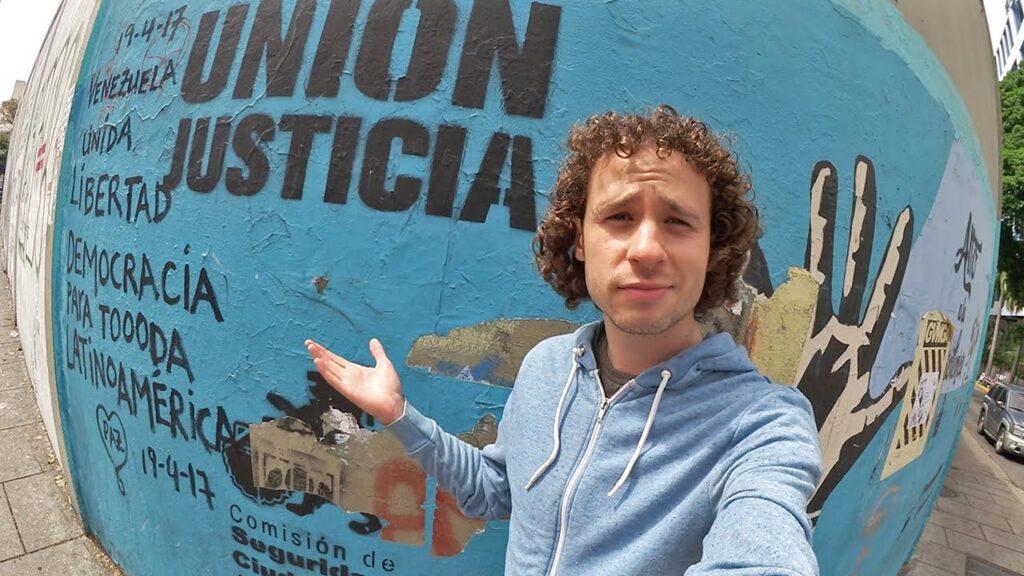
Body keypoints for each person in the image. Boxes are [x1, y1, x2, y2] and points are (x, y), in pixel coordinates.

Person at [306, 106, 821, 575]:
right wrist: (399, 414)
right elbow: (491, 491)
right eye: (619, 217)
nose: (646, 249)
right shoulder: (546, 366)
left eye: (678, 221)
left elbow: (767, 553)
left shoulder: (761, 423)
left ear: (712, 249)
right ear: (579, 241)